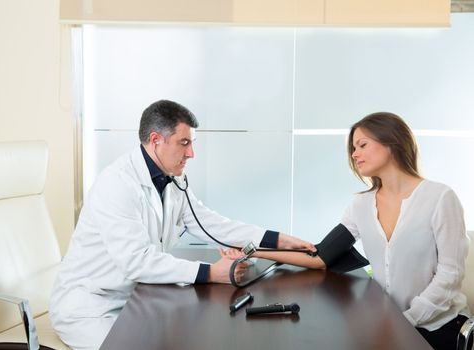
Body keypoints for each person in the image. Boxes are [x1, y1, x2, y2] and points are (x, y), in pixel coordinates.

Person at [49, 99, 314, 350]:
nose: (192, 153)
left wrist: (281, 240)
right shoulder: (117, 184)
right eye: (184, 143)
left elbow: (214, 225)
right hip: (91, 306)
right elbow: (136, 261)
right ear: (156, 140)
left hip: (137, 299)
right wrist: (212, 273)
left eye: (192, 143)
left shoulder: (172, 181)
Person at [249, 112, 471, 350]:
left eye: (362, 145)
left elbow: (450, 275)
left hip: (437, 327)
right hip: (384, 322)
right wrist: (255, 253)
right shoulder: (361, 205)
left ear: (392, 142)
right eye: (354, 148)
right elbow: (322, 256)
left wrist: (405, 321)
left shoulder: (440, 198)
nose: (354, 154)